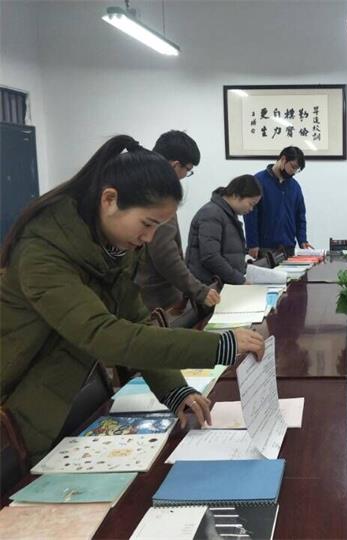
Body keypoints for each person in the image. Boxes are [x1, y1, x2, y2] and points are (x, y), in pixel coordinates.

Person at [0, 135, 265, 464]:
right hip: (13, 417)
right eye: (147, 224)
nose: (150, 238)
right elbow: (105, 335)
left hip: (55, 403)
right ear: (109, 200)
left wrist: (174, 389)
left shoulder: (113, 247)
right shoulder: (42, 253)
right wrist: (220, 345)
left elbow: (136, 320)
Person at [135, 130, 220, 310]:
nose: (184, 176)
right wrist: (199, 291)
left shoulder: (140, 184)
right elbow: (165, 254)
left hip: (148, 294)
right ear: (175, 165)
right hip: (157, 300)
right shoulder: (159, 194)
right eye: (187, 170)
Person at [186, 175, 262, 285]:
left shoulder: (228, 214)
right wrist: (239, 280)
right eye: (251, 204)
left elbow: (230, 253)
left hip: (223, 283)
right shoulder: (211, 214)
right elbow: (210, 257)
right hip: (209, 286)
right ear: (236, 195)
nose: (251, 209)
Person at [245, 146, 313, 258]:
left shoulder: (295, 187)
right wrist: (252, 243)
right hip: (264, 248)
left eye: (297, 170)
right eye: (293, 167)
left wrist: (302, 240)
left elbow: (300, 216)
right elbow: (250, 215)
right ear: (283, 159)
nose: (293, 172)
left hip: (288, 247)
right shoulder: (258, 181)